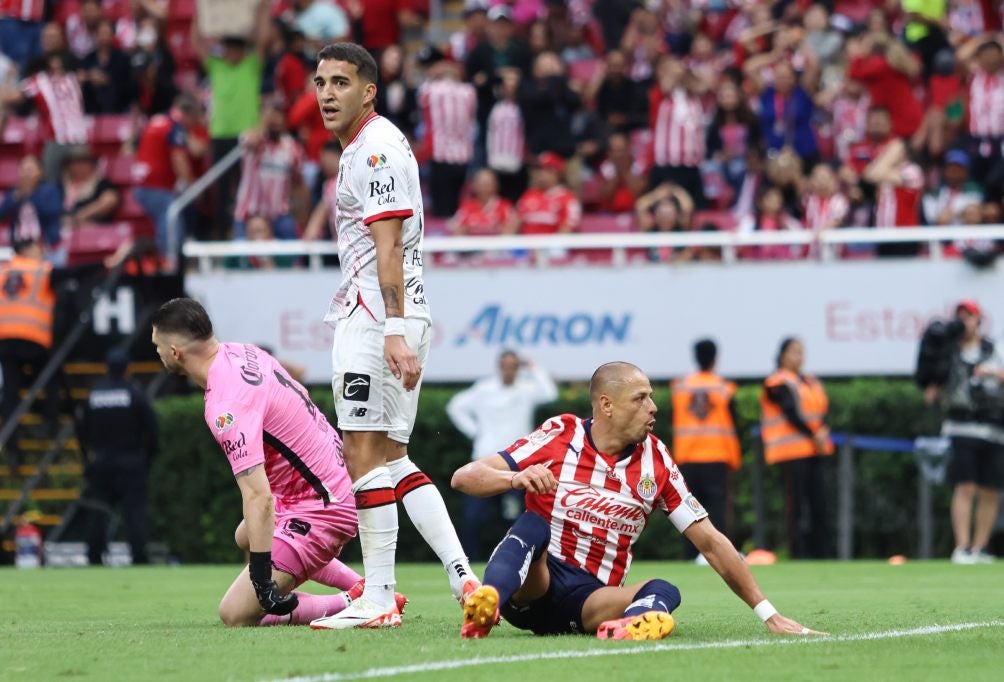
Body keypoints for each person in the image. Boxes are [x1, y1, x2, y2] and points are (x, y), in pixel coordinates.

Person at [452, 362, 822, 640]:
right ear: (606, 405)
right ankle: (487, 604)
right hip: (535, 584)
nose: (653, 408)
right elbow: (464, 477)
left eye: (651, 397)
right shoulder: (561, 434)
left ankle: (634, 623)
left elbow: (710, 541)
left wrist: (769, 614)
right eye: (640, 398)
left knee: (664, 589)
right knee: (532, 526)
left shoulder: (657, 461)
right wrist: (514, 478)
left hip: (588, 601)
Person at [311, 43, 476, 629]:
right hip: (401, 314)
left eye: (340, 82)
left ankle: (378, 597)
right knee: (394, 458)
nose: (327, 93)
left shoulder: (373, 149)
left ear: (368, 91)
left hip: (377, 318)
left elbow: (387, 246)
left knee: (361, 452)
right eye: (321, 81)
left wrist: (393, 330)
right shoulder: (374, 143)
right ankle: (464, 578)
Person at [150, 297, 393, 627]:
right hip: (332, 480)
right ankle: (359, 586)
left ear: (175, 351)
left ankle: (357, 601)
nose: (158, 353)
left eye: (157, 346)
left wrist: (262, 580)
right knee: (245, 535)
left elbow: (258, 496)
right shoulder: (244, 352)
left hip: (322, 508)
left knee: (235, 613)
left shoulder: (226, 404)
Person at [446, 350, 558, 561]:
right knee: (473, 518)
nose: (509, 370)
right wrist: (475, 431)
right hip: (485, 462)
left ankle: (512, 559)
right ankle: (467, 560)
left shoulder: (526, 388)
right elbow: (455, 407)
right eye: (506, 365)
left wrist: (533, 367)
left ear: (518, 367)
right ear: (499, 366)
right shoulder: (484, 388)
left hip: (516, 464)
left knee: (514, 517)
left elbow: (550, 394)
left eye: (514, 366)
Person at [924, 300, 1003, 564]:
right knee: (965, 485)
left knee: (990, 488)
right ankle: (962, 547)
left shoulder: (994, 349)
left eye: (968, 316)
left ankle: (980, 547)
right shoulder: (948, 351)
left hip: (993, 428)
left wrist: (992, 373)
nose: (963, 322)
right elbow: (929, 379)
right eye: (959, 317)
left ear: (978, 320)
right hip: (961, 426)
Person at [77, 348, 158, 565]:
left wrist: (88, 459)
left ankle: (94, 557)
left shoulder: (94, 395)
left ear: (106, 369)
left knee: (98, 513)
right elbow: (152, 430)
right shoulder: (134, 394)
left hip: (101, 463)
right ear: (127, 369)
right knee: (134, 513)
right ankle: (139, 558)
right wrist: (145, 459)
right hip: (131, 463)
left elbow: (81, 431)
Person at [760, 337, 834, 559]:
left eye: (801, 351)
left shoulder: (810, 381)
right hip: (791, 453)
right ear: (782, 355)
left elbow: (821, 411)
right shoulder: (777, 382)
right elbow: (790, 412)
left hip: (813, 450)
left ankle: (823, 554)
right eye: (794, 351)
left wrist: (822, 431)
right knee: (797, 507)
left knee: (819, 505)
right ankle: (798, 554)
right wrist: (815, 433)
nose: (799, 356)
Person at [671, 340, 741, 562]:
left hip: (687, 456)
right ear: (715, 358)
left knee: (688, 509)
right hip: (716, 454)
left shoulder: (680, 387)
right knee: (717, 507)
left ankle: (690, 555)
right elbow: (734, 422)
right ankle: (719, 554)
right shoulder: (723, 387)